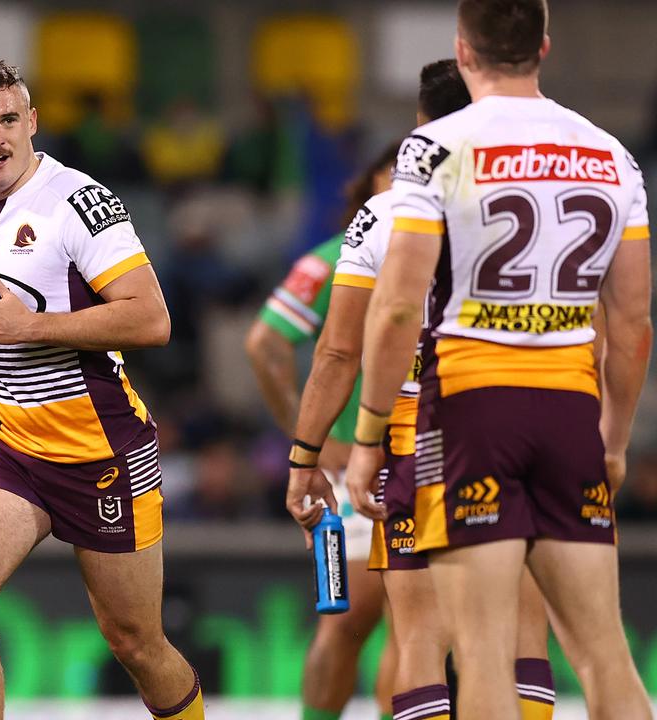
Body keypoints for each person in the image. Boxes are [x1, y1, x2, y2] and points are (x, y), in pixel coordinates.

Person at [344, 1, 652, 717]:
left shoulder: (434, 148)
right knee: (604, 653)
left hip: (472, 409)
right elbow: (633, 322)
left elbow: (395, 307)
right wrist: (612, 441)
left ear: (464, 49)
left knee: (483, 656)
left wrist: (366, 440)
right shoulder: (611, 152)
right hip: (571, 407)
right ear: (544, 45)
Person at [0, 60, 203, 720]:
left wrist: (32, 326)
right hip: (10, 440)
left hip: (97, 447)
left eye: (10, 121)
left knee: (135, 642)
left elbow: (152, 318)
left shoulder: (78, 201)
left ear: (32, 123)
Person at [287, 58, 558, 720]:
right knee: (520, 628)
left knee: (417, 632)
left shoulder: (383, 213)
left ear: (419, 125)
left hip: (417, 430)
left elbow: (338, 349)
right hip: (524, 418)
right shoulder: (538, 200)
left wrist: (309, 455)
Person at [245, 148, 397, 720]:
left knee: (406, 621)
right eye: (393, 172)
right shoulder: (334, 259)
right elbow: (265, 343)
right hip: (361, 463)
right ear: (367, 187)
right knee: (363, 615)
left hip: (397, 458)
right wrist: (309, 440)